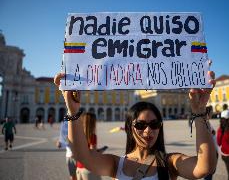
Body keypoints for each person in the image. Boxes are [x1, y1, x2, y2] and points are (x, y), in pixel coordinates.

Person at [54, 70, 217, 180]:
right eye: (140, 125)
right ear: (129, 128)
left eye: (154, 124)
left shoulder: (170, 162)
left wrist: (200, 112)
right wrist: (73, 111)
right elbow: (83, 157)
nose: (148, 130)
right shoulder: (116, 164)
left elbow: (204, 167)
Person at [76, 112, 102, 180]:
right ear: (93, 123)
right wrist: (99, 151)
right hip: (89, 169)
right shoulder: (92, 136)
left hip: (79, 167)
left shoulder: (78, 134)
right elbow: (93, 153)